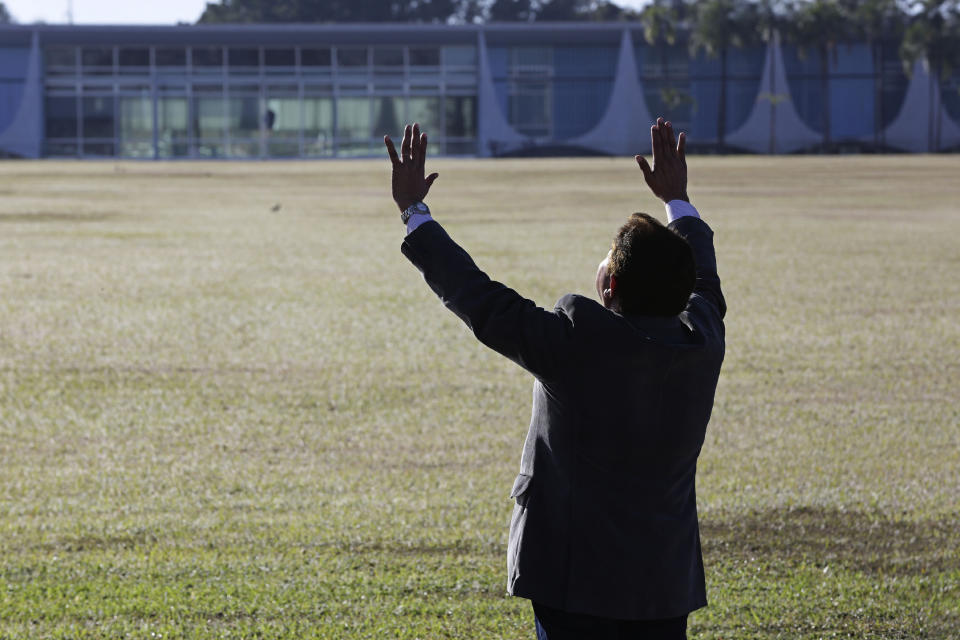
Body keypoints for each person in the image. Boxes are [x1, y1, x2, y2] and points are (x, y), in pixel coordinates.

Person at [384, 116, 725, 640]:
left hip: (574, 585)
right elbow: (704, 277)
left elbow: (483, 301)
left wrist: (415, 212)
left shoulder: (577, 345)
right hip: (662, 583)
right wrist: (677, 201)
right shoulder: (702, 341)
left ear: (609, 285)